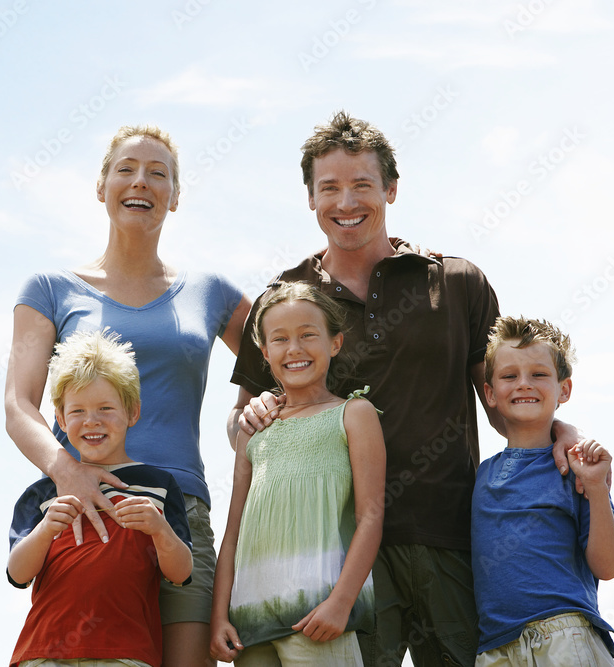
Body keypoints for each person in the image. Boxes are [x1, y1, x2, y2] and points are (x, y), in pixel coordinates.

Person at [229, 110, 581, 666]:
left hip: (452, 533)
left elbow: (503, 397)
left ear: (390, 188)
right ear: (310, 198)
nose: (347, 202)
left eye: (362, 185)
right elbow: (245, 425)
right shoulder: (286, 302)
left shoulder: (457, 282)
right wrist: (248, 418)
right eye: (330, 188)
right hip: (340, 556)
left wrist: (561, 430)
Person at [5, 124, 251, 667]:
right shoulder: (48, 289)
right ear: (102, 185)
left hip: (178, 510)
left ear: (175, 196)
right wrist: (66, 472)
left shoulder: (212, 292)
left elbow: (285, 350)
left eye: (158, 173)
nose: (141, 181)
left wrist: (243, 411)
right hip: (85, 506)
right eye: (126, 169)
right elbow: (18, 405)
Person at [210, 281, 385, 666]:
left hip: (317, 615)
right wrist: (219, 615)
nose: (295, 349)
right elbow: (233, 532)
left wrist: (341, 603)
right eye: (281, 339)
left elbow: (370, 516)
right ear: (265, 352)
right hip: (250, 623)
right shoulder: (253, 429)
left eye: (309, 335)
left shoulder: (354, 414)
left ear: (334, 343)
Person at [8, 329, 194, 667]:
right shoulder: (42, 494)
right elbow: (18, 574)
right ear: (61, 419)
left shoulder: (159, 486)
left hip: (127, 654)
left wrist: (161, 530)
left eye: (105, 408)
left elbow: (181, 573)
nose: (91, 421)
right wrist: (46, 529)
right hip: (42, 653)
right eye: (77, 411)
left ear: (132, 413)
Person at [471, 316, 614, 666]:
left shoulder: (577, 469)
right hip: (496, 647)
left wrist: (597, 489)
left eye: (539, 375)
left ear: (564, 389)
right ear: (490, 394)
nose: (524, 384)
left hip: (565, 636)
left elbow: (609, 566)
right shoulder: (481, 475)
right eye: (510, 376)